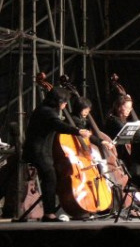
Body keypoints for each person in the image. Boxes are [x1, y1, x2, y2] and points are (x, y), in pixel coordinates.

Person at [22, 88, 92, 222]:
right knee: (50, 178)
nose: (65, 105)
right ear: (58, 101)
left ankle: (51, 211)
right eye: (64, 102)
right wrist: (78, 131)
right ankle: (49, 214)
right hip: (38, 151)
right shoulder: (47, 112)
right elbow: (59, 125)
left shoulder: (44, 109)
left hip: (41, 150)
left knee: (51, 178)